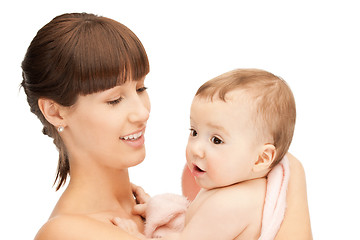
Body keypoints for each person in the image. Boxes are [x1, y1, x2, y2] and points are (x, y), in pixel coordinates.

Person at [20, 12, 312, 240]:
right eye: (114, 100)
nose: (142, 112)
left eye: (141, 88)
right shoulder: (65, 233)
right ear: (56, 112)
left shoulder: (165, 209)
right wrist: (290, 172)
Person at [114, 68, 305, 240]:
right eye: (194, 132)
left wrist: (133, 236)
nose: (196, 148)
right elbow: (195, 224)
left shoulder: (228, 204)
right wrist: (160, 210)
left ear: (262, 158)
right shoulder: (237, 188)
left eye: (216, 140)